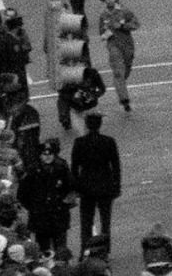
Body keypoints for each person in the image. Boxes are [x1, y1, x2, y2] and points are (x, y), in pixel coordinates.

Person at [69, 110, 121, 256]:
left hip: (86, 186)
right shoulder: (109, 141)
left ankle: (84, 249)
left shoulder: (79, 142)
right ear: (100, 125)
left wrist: (76, 188)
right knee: (105, 222)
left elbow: (74, 167)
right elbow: (115, 166)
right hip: (105, 185)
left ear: (86, 124)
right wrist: (116, 186)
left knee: (86, 221)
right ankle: (105, 250)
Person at [97, 0, 140, 113]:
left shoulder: (124, 11)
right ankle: (124, 99)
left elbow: (136, 24)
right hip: (113, 46)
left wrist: (122, 25)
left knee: (126, 69)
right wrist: (106, 34)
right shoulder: (103, 15)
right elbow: (101, 32)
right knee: (118, 72)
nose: (109, 0)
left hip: (127, 45)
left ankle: (121, 85)